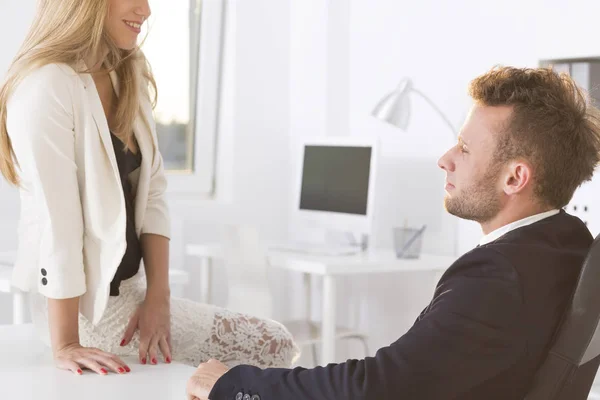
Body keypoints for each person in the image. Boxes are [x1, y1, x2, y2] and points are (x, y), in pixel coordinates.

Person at [186, 65, 600, 400]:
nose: (445, 159)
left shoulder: (495, 278)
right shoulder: (570, 243)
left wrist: (232, 385)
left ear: (515, 178)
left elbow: (375, 388)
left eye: (465, 149)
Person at [0, 0, 299, 376]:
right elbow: (57, 222)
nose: (146, 10)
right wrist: (67, 343)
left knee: (269, 348)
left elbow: (153, 191)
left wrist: (159, 297)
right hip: (81, 308)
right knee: (275, 343)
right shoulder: (44, 85)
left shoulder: (127, 68)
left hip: (134, 291)